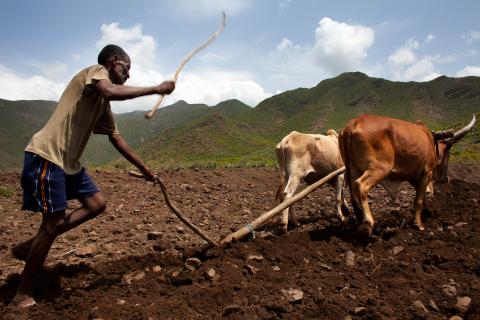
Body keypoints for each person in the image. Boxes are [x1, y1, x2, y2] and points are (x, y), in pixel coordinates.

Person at [11, 44, 175, 308]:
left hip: (68, 164)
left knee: (97, 203)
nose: (128, 75)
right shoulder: (95, 72)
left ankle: (32, 245)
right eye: (126, 68)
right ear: (113, 62)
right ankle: (22, 293)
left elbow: (116, 139)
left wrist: (146, 170)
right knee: (51, 226)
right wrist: (156, 89)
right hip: (47, 156)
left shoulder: (102, 104)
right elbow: (110, 89)